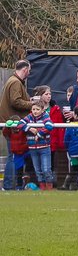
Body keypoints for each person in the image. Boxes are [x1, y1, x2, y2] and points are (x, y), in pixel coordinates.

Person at [0, 59, 33, 190]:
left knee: (13, 156)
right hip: (13, 127)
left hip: (11, 125)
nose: (29, 73)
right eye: (29, 70)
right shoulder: (15, 82)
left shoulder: (12, 81)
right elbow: (16, 101)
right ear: (25, 69)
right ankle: (9, 186)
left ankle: (11, 185)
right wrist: (32, 104)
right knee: (13, 156)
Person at [18, 99, 54, 190]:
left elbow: (49, 126)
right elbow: (20, 124)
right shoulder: (29, 117)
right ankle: (42, 188)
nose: (35, 111)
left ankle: (49, 188)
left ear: (42, 110)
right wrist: (29, 128)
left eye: (37, 109)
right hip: (32, 148)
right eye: (33, 109)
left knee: (46, 169)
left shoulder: (45, 116)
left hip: (44, 147)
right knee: (38, 170)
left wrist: (39, 134)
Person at [4, 115, 29, 189]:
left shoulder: (23, 131)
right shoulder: (10, 133)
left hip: (25, 152)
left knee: (29, 165)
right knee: (18, 170)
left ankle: (27, 183)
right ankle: (19, 186)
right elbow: (5, 133)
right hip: (17, 154)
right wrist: (7, 127)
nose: (16, 128)